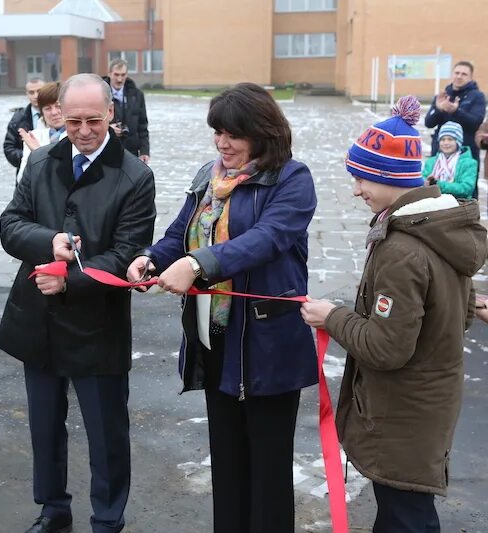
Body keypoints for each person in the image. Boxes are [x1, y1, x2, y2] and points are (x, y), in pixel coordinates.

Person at [126, 83, 317, 532]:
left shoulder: (292, 178)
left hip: (267, 345)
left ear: (263, 133)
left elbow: (267, 239)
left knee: (268, 474)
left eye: (234, 134)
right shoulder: (207, 177)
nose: (222, 143)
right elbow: (180, 231)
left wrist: (197, 264)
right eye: (217, 132)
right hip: (216, 340)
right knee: (227, 466)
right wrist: (152, 258)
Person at [301, 96, 487, 532]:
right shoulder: (440, 228)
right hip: (427, 405)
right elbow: (454, 317)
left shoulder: (402, 250)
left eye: (361, 177)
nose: (355, 189)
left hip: (404, 412)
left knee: (406, 518)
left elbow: (386, 348)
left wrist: (332, 316)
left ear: (388, 177)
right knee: (405, 513)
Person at [0, 73, 156, 533]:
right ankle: (52, 508)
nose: (83, 130)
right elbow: (11, 224)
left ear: (111, 113)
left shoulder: (135, 176)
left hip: (96, 323)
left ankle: (107, 519)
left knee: (107, 433)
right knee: (44, 427)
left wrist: (71, 278)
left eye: (92, 120)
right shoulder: (42, 159)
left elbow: (127, 250)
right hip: (38, 318)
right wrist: (51, 242)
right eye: (72, 121)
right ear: (57, 115)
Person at [424, 61, 486, 195]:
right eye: (457, 73)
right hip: (440, 151)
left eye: (464, 74)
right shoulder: (442, 96)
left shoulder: (477, 97)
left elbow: (475, 122)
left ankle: (468, 214)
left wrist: (456, 111)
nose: (459, 76)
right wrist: (439, 109)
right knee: (435, 188)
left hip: (464, 153)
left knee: (466, 189)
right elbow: (428, 122)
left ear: (471, 77)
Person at [102, 58, 150, 164]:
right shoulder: (99, 94)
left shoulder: (137, 95)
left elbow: (143, 125)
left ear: (127, 75)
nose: (119, 79)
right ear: (109, 74)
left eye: (123, 75)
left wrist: (144, 151)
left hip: (131, 151)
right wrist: (107, 129)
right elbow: (91, 120)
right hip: (106, 150)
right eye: (116, 74)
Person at [17, 82, 66, 176]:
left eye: (58, 106)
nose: (54, 112)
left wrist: (39, 153)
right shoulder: (34, 137)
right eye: (48, 108)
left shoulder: (79, 136)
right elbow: (22, 178)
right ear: (42, 112)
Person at [422, 121, 478, 198]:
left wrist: (438, 185)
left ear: (458, 142)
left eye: (450, 139)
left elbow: (466, 189)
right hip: (433, 203)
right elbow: (422, 180)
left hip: (459, 205)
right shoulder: (431, 162)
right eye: (442, 139)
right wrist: (426, 182)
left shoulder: (469, 163)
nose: (446, 143)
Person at [4, 77, 45, 180]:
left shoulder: (57, 115)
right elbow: (9, 148)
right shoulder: (18, 118)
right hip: (26, 174)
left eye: (39, 91)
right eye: (31, 92)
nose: (36, 96)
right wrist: (29, 157)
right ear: (27, 94)